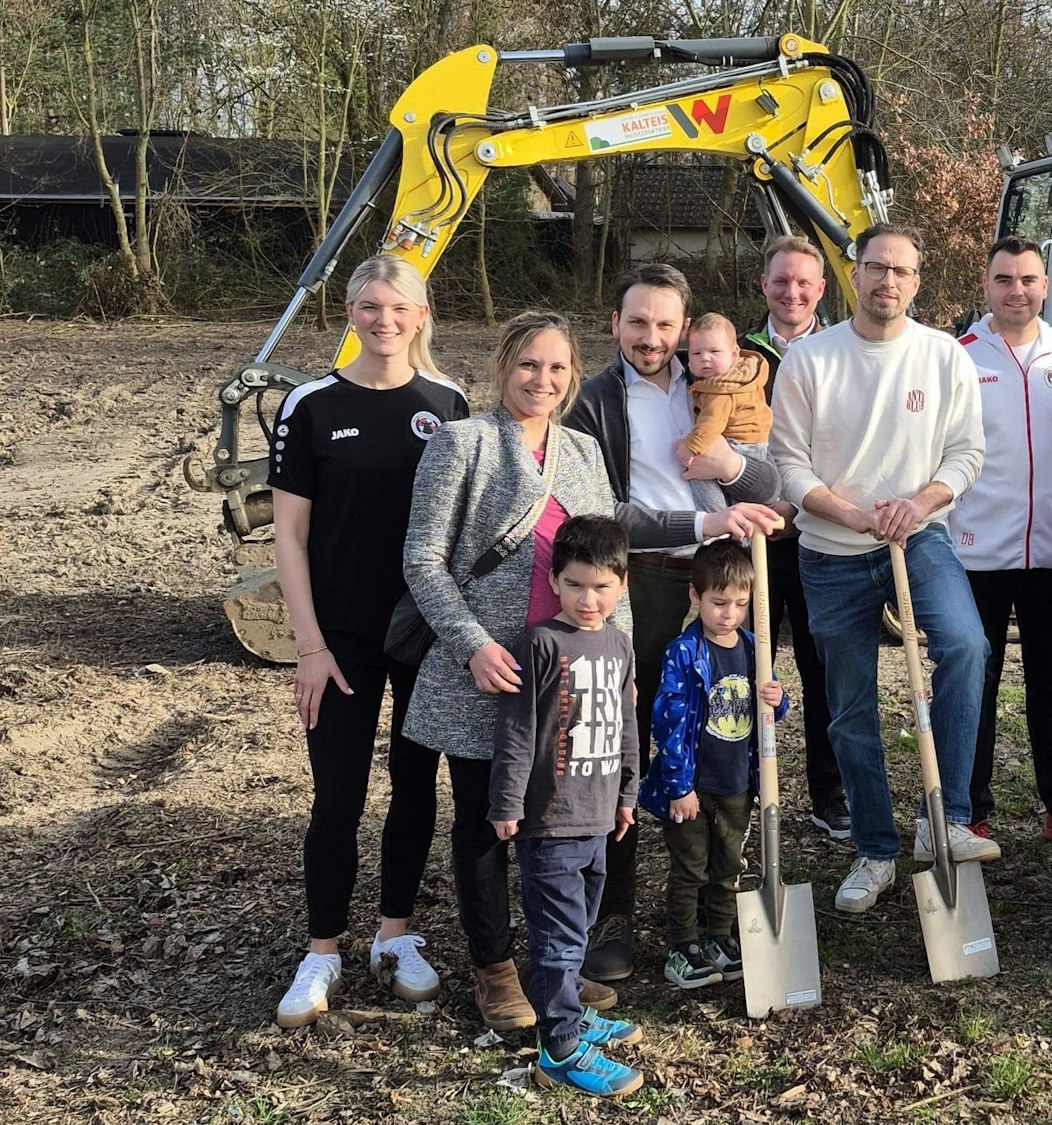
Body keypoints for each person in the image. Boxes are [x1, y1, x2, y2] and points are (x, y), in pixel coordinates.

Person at [404, 311, 779, 1030]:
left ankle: (558, 968)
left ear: (573, 376)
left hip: (579, 685)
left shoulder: (579, 448)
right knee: (491, 823)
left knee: (565, 832)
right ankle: (496, 969)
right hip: (498, 670)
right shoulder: (464, 444)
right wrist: (473, 644)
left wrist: (625, 659)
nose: (542, 380)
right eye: (528, 365)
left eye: (556, 369)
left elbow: (613, 560)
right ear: (503, 365)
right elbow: (423, 559)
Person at [769, 222, 998, 915]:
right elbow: (789, 463)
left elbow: (966, 452)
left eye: (901, 270)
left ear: (917, 281)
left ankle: (945, 818)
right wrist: (852, 513)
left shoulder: (943, 357)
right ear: (855, 273)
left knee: (966, 643)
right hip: (831, 553)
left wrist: (920, 502)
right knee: (849, 708)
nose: (887, 281)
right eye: (876, 268)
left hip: (919, 538)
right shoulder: (810, 360)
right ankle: (876, 845)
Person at [566, 263, 785, 985]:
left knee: (722, 730)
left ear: (686, 329)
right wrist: (704, 516)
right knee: (620, 741)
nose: (652, 337)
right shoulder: (592, 401)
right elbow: (602, 513)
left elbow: (769, 488)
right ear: (614, 325)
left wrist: (728, 465)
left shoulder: (716, 386)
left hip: (716, 587)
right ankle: (614, 907)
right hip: (638, 590)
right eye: (638, 322)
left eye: (666, 324)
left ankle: (707, 906)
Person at [269, 254, 469, 1028]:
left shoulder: (447, 401)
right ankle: (322, 949)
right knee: (338, 796)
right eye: (368, 306)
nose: (383, 320)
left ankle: (396, 933)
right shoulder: (310, 404)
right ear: (348, 313)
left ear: (421, 316)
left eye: (398, 308)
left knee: (417, 789)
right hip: (341, 640)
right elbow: (288, 535)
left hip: (424, 634)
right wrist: (309, 644)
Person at [489, 515, 646, 1098]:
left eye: (601, 586)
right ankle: (558, 1048)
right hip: (549, 820)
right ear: (555, 581)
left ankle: (571, 1010)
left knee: (578, 928)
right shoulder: (539, 643)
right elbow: (517, 730)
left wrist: (629, 792)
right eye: (576, 584)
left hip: (600, 816)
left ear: (622, 586)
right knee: (556, 936)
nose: (588, 598)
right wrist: (507, 801)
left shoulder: (619, 643)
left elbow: (627, 724)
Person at [951, 236, 1052, 842]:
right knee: (975, 682)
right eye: (1004, 279)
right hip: (976, 552)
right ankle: (971, 809)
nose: (1017, 291)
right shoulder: (958, 356)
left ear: (1044, 285)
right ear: (986, 285)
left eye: (1028, 279)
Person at [637, 541, 790, 988]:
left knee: (728, 865)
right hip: (692, 785)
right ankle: (683, 945)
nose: (730, 613)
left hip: (737, 781)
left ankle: (719, 937)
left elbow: (771, 707)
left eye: (741, 604)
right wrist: (678, 787)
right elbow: (667, 722)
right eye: (719, 602)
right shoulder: (683, 653)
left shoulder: (753, 647)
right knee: (690, 867)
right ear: (695, 597)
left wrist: (778, 702)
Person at [740, 237, 850, 844]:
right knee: (750, 665)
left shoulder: (841, 352)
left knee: (821, 667)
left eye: (805, 283)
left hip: (817, 532)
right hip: (754, 534)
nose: (793, 292)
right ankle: (749, 785)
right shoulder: (737, 354)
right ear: (764, 285)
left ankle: (828, 794)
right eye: (782, 281)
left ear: (821, 290)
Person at [677, 311, 774, 512]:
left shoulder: (721, 388)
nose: (705, 359)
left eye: (714, 352)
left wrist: (691, 448)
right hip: (755, 444)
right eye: (696, 353)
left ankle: (716, 519)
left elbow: (711, 423)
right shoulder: (736, 377)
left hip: (738, 444)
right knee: (744, 502)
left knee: (697, 473)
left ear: (734, 354)